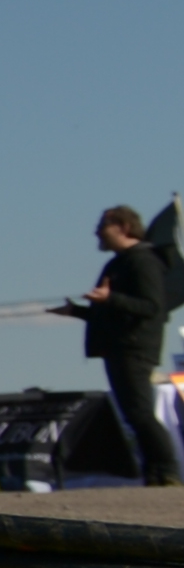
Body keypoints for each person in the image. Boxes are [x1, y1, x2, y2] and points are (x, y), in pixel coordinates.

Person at [61, 203, 179, 487]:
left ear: (123, 227)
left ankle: (167, 470)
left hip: (134, 348)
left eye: (102, 227)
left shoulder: (143, 261)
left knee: (138, 412)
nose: (97, 233)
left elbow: (151, 307)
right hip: (118, 347)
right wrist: (78, 311)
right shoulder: (119, 262)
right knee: (132, 412)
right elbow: (113, 310)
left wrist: (109, 299)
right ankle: (155, 472)